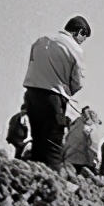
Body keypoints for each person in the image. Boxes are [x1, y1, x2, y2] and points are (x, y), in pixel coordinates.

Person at [22, 16, 91, 167]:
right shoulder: (75, 49)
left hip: (32, 94)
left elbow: (32, 64)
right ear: (80, 32)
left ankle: (35, 172)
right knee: (52, 144)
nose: (82, 41)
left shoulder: (41, 41)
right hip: (54, 97)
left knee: (37, 140)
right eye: (83, 37)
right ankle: (51, 180)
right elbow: (78, 81)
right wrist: (68, 91)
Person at [63, 106, 101, 173]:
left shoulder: (80, 126)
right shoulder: (80, 127)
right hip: (75, 160)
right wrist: (65, 156)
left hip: (79, 160)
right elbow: (75, 143)